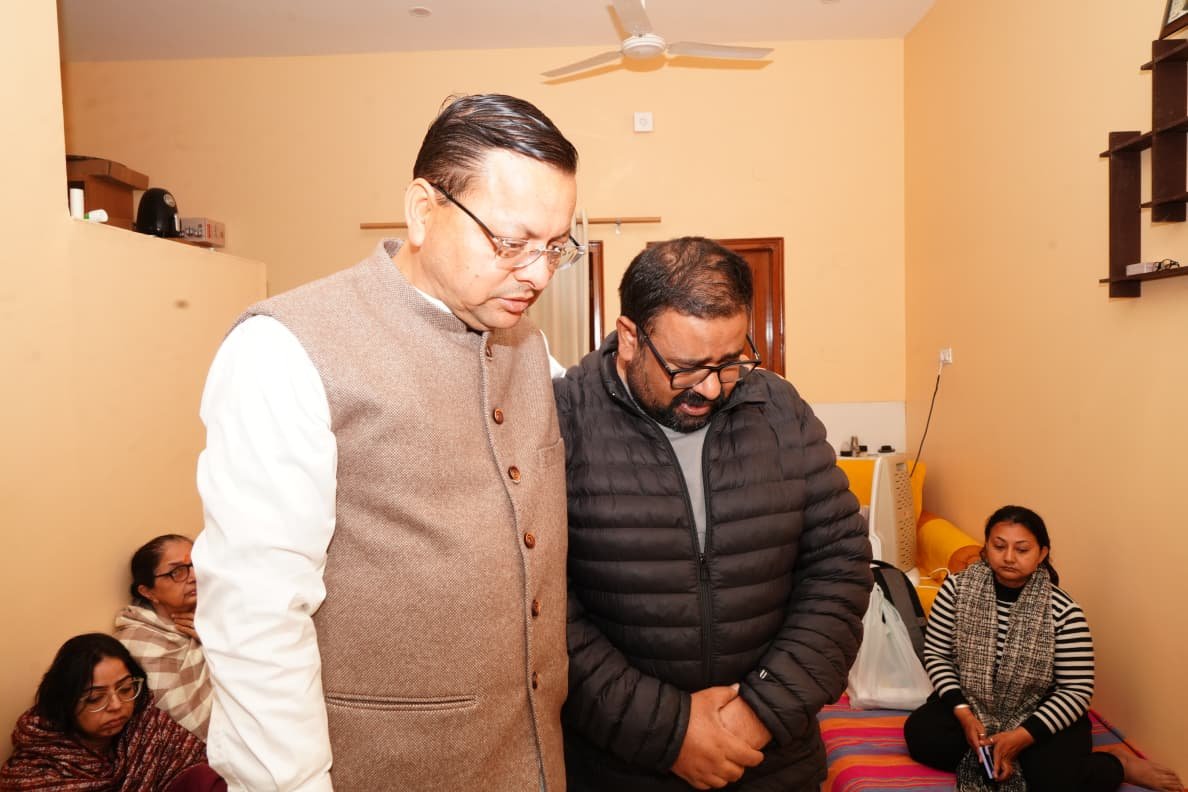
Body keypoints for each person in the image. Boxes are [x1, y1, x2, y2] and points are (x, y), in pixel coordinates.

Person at [192, 93, 581, 791]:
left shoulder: (529, 345)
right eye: (511, 243)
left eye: (554, 248)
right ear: (423, 210)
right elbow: (255, 614)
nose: (538, 273)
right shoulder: (283, 349)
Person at [553, 236, 873, 791]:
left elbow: (839, 570)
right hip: (618, 767)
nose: (710, 388)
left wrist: (758, 714)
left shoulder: (780, 410)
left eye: (729, 363)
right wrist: (670, 733)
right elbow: (543, 608)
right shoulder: (562, 419)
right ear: (629, 338)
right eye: (686, 367)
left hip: (772, 760)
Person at [904, 505, 1183, 792]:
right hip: (973, 701)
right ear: (986, 548)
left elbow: (1076, 690)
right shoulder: (956, 590)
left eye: (1022, 549)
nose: (1009, 557)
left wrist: (1022, 737)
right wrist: (965, 715)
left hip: (1038, 710)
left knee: (1055, 780)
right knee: (922, 736)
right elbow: (937, 655)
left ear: (1042, 554)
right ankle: (999, 751)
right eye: (999, 546)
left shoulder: (1063, 611)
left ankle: (1117, 763)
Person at [0, 633, 224, 791]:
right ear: (65, 701)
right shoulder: (35, 774)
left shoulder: (148, 726)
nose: (117, 705)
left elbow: (197, 772)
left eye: (125, 689)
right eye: (95, 698)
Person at [114, 534, 212, 738]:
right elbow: (173, 722)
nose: (194, 576)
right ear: (148, 592)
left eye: (197, 564)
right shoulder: (136, 641)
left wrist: (214, 640)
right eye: (177, 572)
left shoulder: (223, 614)